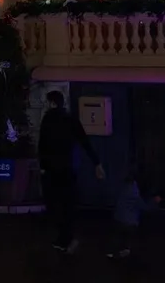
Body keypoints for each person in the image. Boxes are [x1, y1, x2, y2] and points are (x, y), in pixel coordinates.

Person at [38, 90, 104, 254]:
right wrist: (97, 162)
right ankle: (67, 238)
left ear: (52, 103)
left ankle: (64, 239)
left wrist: (43, 166)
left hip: (52, 170)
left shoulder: (47, 119)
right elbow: (84, 140)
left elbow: (42, 145)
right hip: (68, 168)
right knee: (68, 204)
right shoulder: (71, 119)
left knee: (54, 204)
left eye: (47, 102)